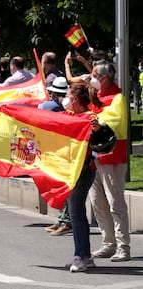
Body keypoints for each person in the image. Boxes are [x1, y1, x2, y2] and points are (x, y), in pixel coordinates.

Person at [88, 60, 131, 262]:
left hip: (112, 156)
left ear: (104, 79)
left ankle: (123, 247)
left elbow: (113, 119)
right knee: (97, 202)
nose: (92, 78)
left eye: (95, 75)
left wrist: (96, 122)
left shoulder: (118, 97)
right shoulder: (95, 97)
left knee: (115, 203)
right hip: (94, 157)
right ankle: (108, 243)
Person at [63, 82, 102, 272]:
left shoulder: (89, 118)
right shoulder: (71, 116)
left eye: (68, 95)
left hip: (84, 170)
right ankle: (85, 256)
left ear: (75, 99)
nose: (66, 99)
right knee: (77, 212)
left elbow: (100, 139)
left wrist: (97, 129)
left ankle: (80, 257)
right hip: (74, 170)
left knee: (76, 213)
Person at [38, 76, 73, 236]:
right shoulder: (54, 107)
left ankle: (65, 221)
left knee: (64, 187)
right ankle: (63, 220)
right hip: (58, 152)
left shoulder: (49, 106)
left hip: (60, 153)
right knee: (62, 187)